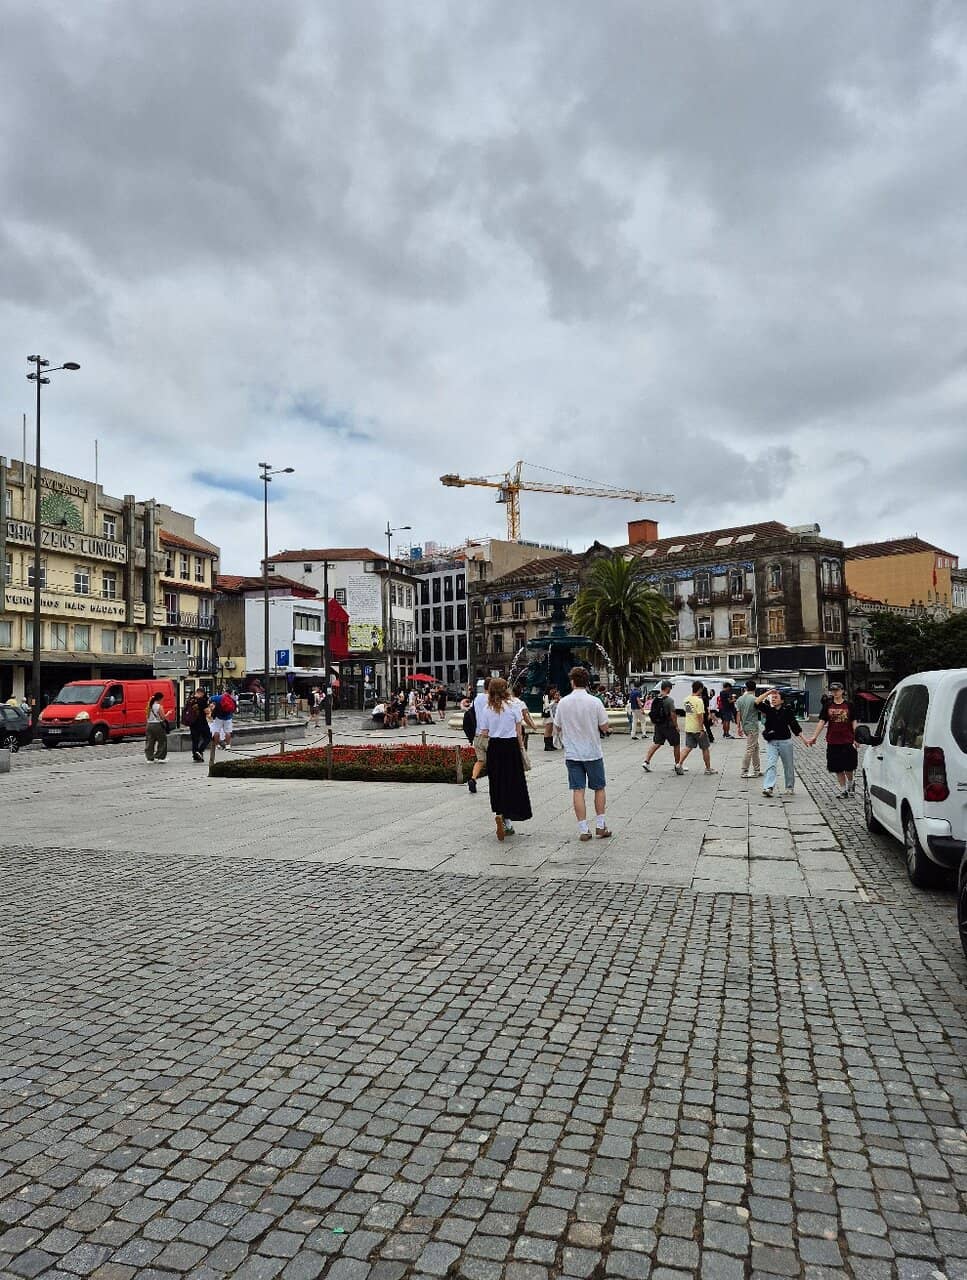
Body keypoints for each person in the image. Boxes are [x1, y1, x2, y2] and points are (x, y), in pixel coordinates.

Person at [554, 666, 612, 841]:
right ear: (587, 682)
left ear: (572, 682)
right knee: (599, 788)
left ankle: (583, 829)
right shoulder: (595, 702)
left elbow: (557, 726)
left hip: (572, 753)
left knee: (577, 790)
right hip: (593, 752)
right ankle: (601, 825)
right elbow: (604, 726)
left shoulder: (563, 703)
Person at [476, 677, 532, 840]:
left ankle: (502, 815)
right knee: (513, 782)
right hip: (511, 747)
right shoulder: (514, 706)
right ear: (506, 689)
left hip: (495, 748)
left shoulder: (487, 708)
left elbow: (484, 732)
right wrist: (521, 748)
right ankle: (509, 819)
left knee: (497, 782)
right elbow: (518, 731)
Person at [806, 682, 858, 797]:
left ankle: (851, 783)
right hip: (833, 741)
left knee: (849, 767)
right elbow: (822, 721)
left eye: (837, 690)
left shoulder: (849, 705)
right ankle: (843, 790)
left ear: (842, 691)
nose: (835, 692)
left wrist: (857, 737)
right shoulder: (828, 705)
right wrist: (814, 736)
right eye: (833, 690)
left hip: (847, 740)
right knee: (837, 767)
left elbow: (854, 721)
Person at [756, 688, 809, 797]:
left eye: (776, 698)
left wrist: (804, 739)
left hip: (785, 742)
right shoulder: (768, 709)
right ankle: (768, 787)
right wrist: (769, 692)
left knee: (788, 765)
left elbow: (794, 726)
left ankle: (789, 787)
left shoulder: (787, 711)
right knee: (771, 764)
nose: (773, 699)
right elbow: (757, 702)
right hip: (772, 742)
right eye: (772, 698)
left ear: (782, 700)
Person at [642, 680, 683, 774]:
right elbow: (673, 714)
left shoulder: (656, 699)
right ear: (667, 688)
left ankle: (646, 761)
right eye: (670, 688)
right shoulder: (669, 700)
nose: (671, 690)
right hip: (669, 726)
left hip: (658, 725)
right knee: (676, 744)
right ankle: (677, 765)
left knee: (657, 743)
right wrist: (676, 726)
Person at [678, 680, 717, 775]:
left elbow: (689, 713)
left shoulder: (686, 699)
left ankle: (678, 764)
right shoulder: (699, 701)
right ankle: (708, 769)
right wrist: (701, 729)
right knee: (705, 748)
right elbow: (700, 716)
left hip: (689, 727)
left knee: (688, 747)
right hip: (697, 728)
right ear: (700, 689)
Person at [468, 677, 491, 794]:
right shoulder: (493, 699)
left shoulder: (477, 698)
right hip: (490, 735)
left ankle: (473, 778)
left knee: (480, 760)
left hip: (477, 734)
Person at [735, 679, 762, 779]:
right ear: (755, 688)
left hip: (745, 727)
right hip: (753, 727)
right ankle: (744, 770)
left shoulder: (740, 699)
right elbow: (761, 711)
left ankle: (757, 770)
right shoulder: (755, 699)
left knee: (755, 747)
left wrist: (738, 727)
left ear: (746, 688)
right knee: (751, 748)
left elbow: (738, 713)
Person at [184, 687, 211, 762]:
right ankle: (200, 750)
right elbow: (207, 711)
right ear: (201, 693)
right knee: (208, 737)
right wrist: (210, 709)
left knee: (195, 740)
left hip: (192, 723)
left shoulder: (190, 700)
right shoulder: (202, 700)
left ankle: (196, 756)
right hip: (201, 722)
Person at [145, 691, 169, 762]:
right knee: (162, 740)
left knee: (150, 741)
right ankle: (160, 757)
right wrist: (168, 713)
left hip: (149, 725)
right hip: (157, 725)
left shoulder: (149, 706)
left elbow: (147, 716)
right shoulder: (159, 706)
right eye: (162, 699)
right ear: (160, 699)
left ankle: (149, 757)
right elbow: (163, 717)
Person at [542, 686, 560, 751]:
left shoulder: (552, 697)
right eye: (552, 690)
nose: (553, 692)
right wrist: (553, 702)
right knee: (548, 730)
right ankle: (547, 746)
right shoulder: (545, 696)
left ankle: (551, 744)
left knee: (551, 730)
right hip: (547, 715)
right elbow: (547, 706)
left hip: (552, 715)